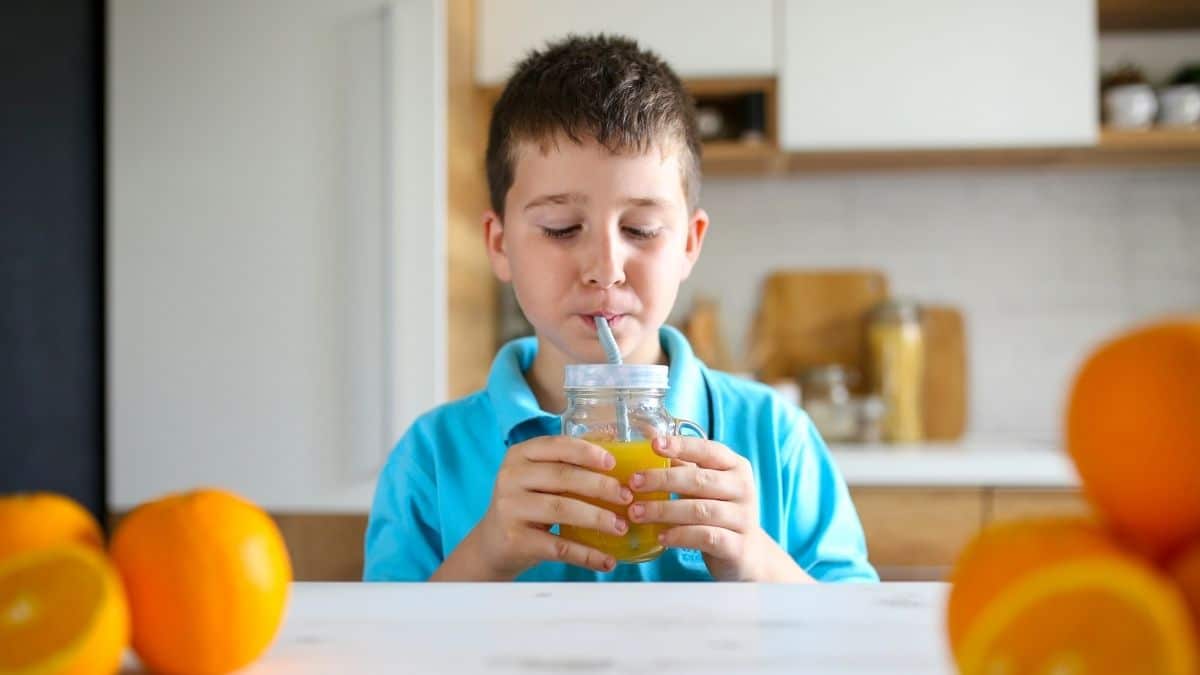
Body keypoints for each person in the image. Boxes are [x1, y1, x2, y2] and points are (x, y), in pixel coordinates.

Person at [364, 34, 877, 582]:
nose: (605, 269)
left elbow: (856, 640)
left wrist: (755, 559)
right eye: (561, 229)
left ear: (688, 244)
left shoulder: (775, 437)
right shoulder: (432, 458)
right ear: (498, 244)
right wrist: (485, 555)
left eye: (641, 229)